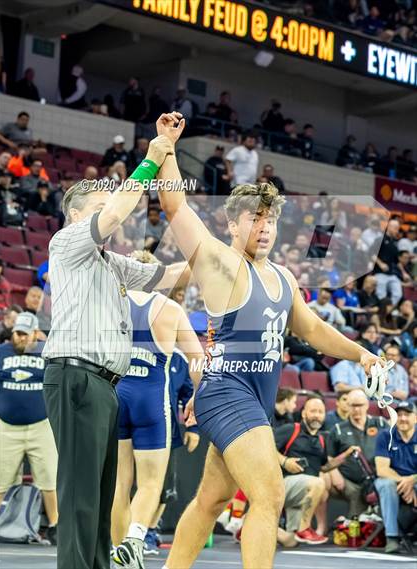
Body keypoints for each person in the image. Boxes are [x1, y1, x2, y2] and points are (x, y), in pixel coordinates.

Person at [155, 113, 383, 569]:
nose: (264, 226)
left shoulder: (282, 277)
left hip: (253, 400)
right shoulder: (219, 262)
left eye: (271, 219)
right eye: (254, 219)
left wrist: (362, 353)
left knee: (210, 502)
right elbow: (176, 209)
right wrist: (167, 150)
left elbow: (313, 330)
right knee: (270, 493)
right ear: (234, 224)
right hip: (226, 392)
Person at [41, 114, 188, 569]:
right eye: (102, 205)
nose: (115, 213)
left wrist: (229, 255)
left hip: (104, 385)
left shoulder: (109, 263)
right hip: (76, 375)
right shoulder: (67, 242)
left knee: (104, 495)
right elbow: (120, 210)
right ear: (80, 214)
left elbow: (170, 275)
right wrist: (150, 158)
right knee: (81, 491)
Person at [111, 252, 204, 568]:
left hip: (116, 394)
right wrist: (196, 398)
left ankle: (118, 550)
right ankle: (135, 539)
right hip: (151, 399)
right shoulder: (170, 309)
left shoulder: (111, 303)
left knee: (119, 483)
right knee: (150, 482)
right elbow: (197, 359)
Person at [0, 313, 58, 544]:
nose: (20, 338)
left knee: (49, 481)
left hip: (40, 426)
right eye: (17, 334)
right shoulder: (1, 353)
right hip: (6, 426)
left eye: (25, 334)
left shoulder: (47, 353)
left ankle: (55, 526)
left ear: (35, 333)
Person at [274, 396, 360, 543]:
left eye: (320, 412)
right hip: (282, 485)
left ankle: (246, 527)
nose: (317, 415)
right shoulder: (291, 429)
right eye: (313, 411)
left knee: (290, 541)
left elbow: (324, 468)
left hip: (301, 494)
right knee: (319, 483)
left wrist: (344, 456)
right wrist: (285, 461)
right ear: (303, 413)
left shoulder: (322, 439)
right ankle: (304, 528)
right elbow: (266, 447)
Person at [144, 347, 201, 556]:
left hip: (166, 431)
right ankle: (121, 534)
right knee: (123, 485)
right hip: (129, 428)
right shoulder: (133, 347)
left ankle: (147, 531)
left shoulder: (179, 358)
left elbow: (188, 395)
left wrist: (193, 427)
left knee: (163, 488)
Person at [326, 389, 387, 518]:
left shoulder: (381, 423)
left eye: (360, 405)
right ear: (347, 406)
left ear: (367, 405)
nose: (357, 409)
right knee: (356, 497)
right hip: (350, 481)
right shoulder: (337, 430)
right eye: (353, 405)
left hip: (378, 478)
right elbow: (329, 456)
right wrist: (334, 472)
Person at [375, 401, 417, 554]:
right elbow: (382, 469)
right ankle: (391, 537)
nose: (403, 418)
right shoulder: (386, 436)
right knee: (386, 485)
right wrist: (405, 482)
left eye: (407, 414)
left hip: (414, 480)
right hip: (391, 480)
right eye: (399, 415)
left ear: (416, 418)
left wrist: (412, 480)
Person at [372, 218, 402, 306]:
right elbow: (371, 254)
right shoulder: (380, 239)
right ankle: (382, 313)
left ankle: (387, 311)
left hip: (391, 274)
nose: (397, 230)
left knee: (398, 294)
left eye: (398, 228)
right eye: (396, 228)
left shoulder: (395, 243)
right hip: (379, 273)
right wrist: (381, 264)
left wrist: (404, 273)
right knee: (381, 295)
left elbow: (397, 261)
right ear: (389, 227)